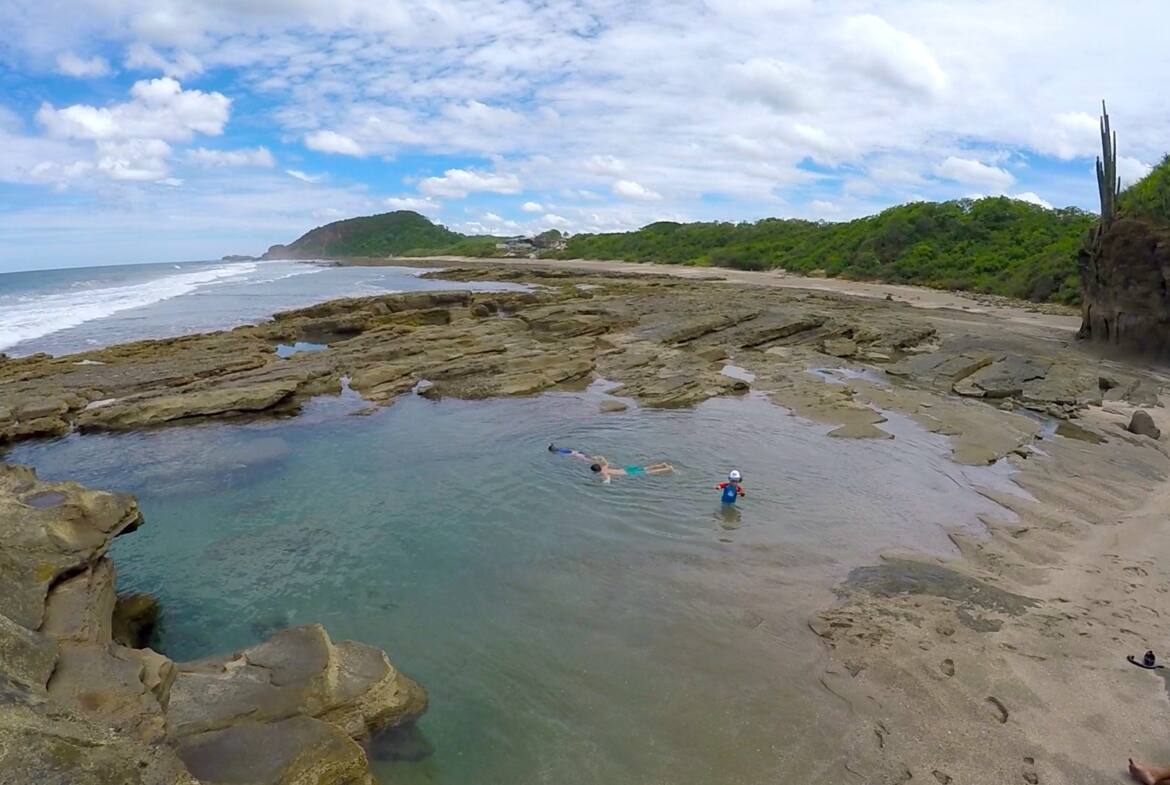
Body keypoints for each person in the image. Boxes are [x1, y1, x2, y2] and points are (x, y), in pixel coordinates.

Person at [589, 457, 674, 483]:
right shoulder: (604, 467)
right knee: (646, 468)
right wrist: (602, 459)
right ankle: (662, 464)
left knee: (648, 472)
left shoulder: (604, 472)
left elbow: (608, 479)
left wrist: (604, 482)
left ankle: (668, 468)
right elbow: (606, 463)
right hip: (626, 469)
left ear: (596, 471)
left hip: (627, 473)